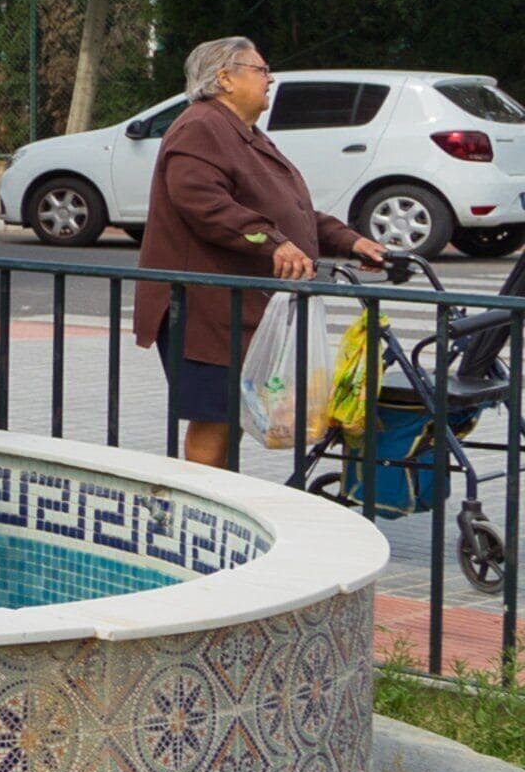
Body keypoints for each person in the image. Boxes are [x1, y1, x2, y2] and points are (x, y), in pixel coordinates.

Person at [135, 36, 383, 467]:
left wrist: (350, 240)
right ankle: (204, 517)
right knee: (215, 417)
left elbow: (291, 212)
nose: (270, 79)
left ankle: (222, 508)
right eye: (261, 70)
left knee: (230, 415)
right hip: (202, 308)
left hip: (233, 307)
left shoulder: (243, 133)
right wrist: (273, 242)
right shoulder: (200, 127)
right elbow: (204, 205)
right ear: (225, 78)